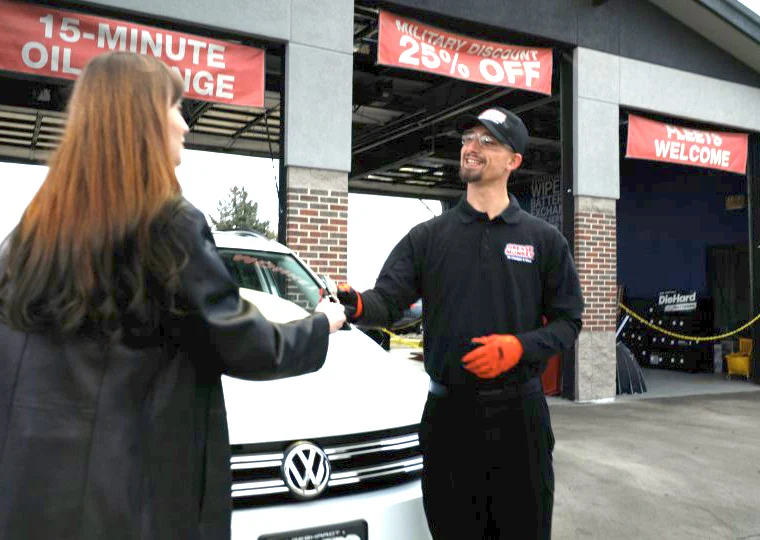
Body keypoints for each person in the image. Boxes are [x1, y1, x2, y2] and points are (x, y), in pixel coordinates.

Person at [0, 52, 346, 540]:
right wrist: (319, 325)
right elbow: (240, 340)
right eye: (175, 107)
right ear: (138, 120)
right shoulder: (168, 225)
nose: (184, 125)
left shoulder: (26, 239)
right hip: (134, 502)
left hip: (35, 498)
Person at [337, 106, 584, 539]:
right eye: (468, 138)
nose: (472, 147)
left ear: (514, 161)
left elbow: (568, 321)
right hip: (449, 419)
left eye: (488, 141)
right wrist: (357, 305)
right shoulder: (429, 237)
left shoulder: (543, 241)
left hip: (519, 421)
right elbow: (388, 299)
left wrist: (519, 348)